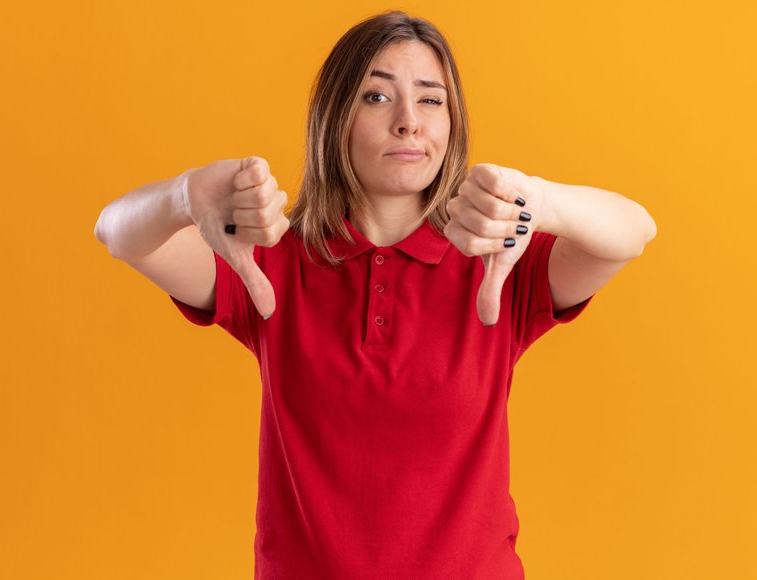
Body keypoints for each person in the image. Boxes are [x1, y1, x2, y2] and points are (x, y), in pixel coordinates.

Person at [95, 10, 657, 579]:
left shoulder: (496, 262)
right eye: (377, 97)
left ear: (452, 122)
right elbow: (116, 233)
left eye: (431, 100)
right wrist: (183, 196)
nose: (409, 122)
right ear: (335, 117)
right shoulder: (269, 260)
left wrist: (543, 202)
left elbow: (634, 231)